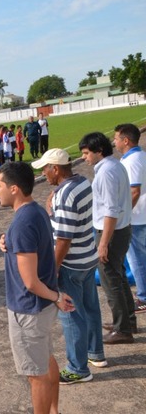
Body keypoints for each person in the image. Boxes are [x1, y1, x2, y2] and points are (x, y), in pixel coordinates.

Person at [0, 162, 74, 414]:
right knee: (45, 359)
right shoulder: (35, 211)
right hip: (39, 309)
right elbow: (33, 248)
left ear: (14, 188)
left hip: (28, 310)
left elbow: (30, 281)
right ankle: (54, 410)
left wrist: (57, 297)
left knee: (35, 374)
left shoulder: (22, 223)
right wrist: (7, 241)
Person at [32, 149, 106, 384]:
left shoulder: (65, 195)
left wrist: (53, 268)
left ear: (56, 168)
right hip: (87, 258)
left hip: (70, 264)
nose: (44, 174)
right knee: (91, 309)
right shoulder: (82, 182)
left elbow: (63, 239)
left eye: (45, 169)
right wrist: (54, 193)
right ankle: (96, 354)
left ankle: (78, 368)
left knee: (72, 316)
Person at [79, 132, 135, 344]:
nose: (84, 157)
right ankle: (127, 321)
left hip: (111, 232)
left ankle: (123, 329)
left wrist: (103, 243)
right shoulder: (114, 166)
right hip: (119, 229)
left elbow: (111, 210)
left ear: (98, 151)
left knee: (110, 279)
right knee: (118, 276)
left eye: (86, 153)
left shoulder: (107, 172)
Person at [114, 123, 146, 314]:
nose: (114, 142)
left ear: (126, 140)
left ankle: (143, 298)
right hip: (141, 214)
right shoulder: (141, 155)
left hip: (137, 216)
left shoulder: (132, 161)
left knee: (137, 259)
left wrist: (124, 215)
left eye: (116, 138)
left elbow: (134, 191)